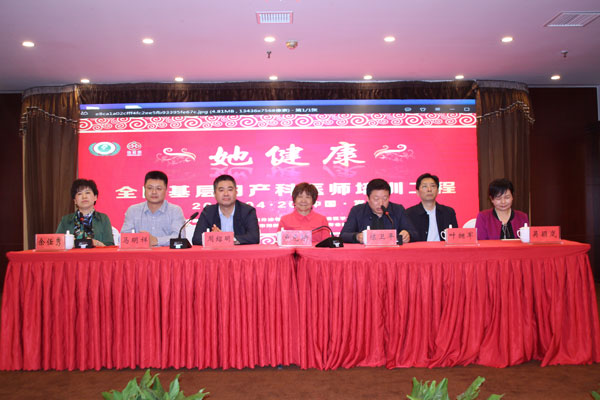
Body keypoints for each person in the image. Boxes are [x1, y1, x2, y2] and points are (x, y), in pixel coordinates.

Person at [340, 178, 416, 244]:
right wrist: (357, 237)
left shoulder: (398, 210)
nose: (381, 203)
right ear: (368, 198)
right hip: (366, 254)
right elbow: (343, 235)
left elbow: (415, 234)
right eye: (376, 199)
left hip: (392, 253)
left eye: (385, 199)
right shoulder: (357, 211)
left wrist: (408, 234)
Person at [121, 170, 185, 246]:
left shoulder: (175, 211)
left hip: (166, 253)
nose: (154, 192)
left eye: (159, 188)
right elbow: (123, 238)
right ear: (144, 189)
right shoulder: (133, 210)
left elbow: (180, 237)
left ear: (166, 190)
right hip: (141, 253)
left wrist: (156, 241)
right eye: (150, 188)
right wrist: (143, 240)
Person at [192, 174, 260, 245]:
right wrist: (213, 237)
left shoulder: (247, 211)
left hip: (239, 252)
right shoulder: (208, 212)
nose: (226, 194)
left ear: (236, 192)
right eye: (221, 190)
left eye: (230, 190)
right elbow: (196, 239)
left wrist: (224, 238)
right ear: (215, 194)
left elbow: (254, 237)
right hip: (216, 252)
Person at [56, 179, 115, 246]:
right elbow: (57, 243)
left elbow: (110, 245)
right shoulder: (66, 220)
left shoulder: (103, 219)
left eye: (87, 193)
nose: (84, 197)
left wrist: (96, 243)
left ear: (95, 197)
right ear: (75, 200)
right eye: (79, 194)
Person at [405, 173, 458, 242]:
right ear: (417, 192)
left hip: (443, 248)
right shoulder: (409, 214)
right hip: (419, 249)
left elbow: (455, 237)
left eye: (433, 186)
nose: (429, 189)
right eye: (424, 186)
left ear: (438, 190)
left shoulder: (448, 212)